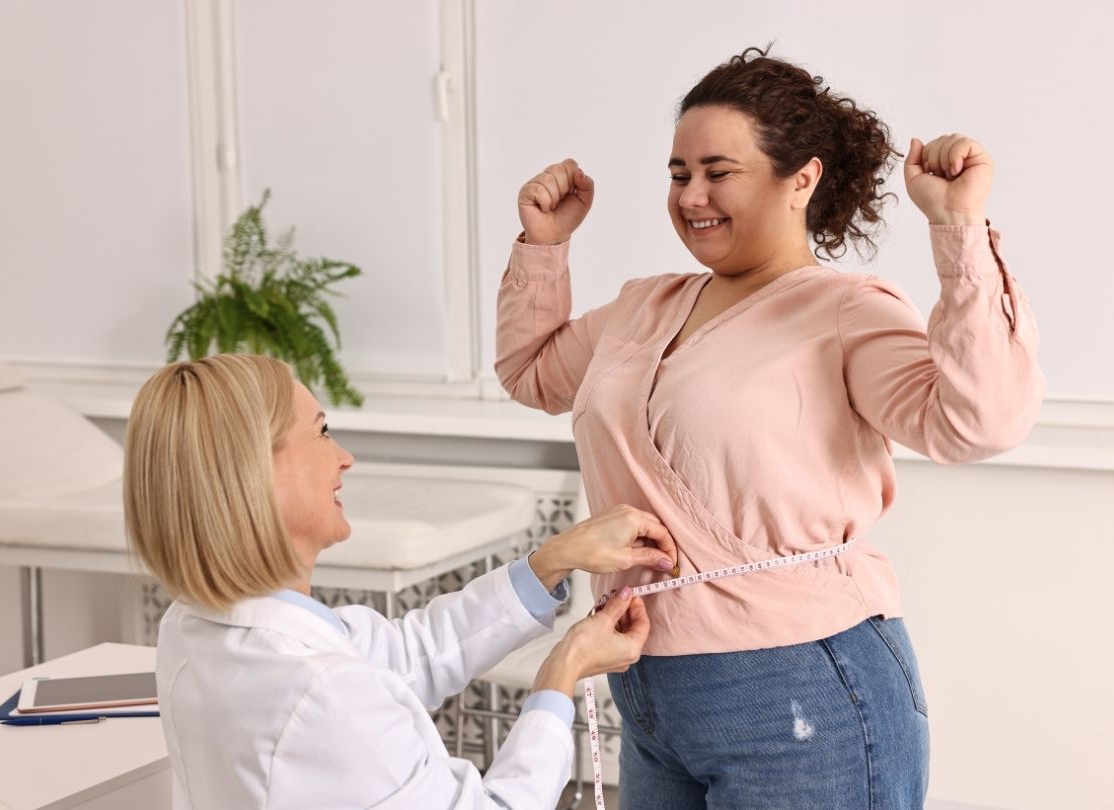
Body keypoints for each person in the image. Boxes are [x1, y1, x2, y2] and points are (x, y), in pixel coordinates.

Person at [495, 46, 1045, 808]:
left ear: (803, 179)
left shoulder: (846, 311)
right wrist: (545, 245)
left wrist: (959, 228)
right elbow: (532, 374)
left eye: (719, 172)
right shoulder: (644, 304)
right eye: (678, 173)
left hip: (799, 687)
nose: (692, 197)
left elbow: (979, 423)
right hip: (648, 686)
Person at [123, 353, 679, 809]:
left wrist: (551, 562)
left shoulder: (193, 626)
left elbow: (410, 652)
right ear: (254, 472)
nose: (345, 458)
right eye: (321, 433)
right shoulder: (318, 693)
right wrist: (563, 672)